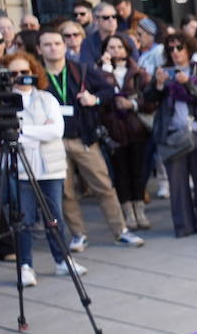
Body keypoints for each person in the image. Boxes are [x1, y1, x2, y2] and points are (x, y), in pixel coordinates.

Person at [36, 27, 144, 251]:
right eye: (47, 44)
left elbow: (109, 90)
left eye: (57, 43)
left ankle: (120, 230)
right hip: (52, 142)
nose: (53, 48)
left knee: (103, 185)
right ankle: (78, 235)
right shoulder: (37, 76)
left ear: (64, 46)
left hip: (82, 138)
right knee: (65, 192)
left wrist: (93, 99)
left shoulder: (80, 69)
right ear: (39, 49)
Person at [4, 51, 79, 288]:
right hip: (22, 168)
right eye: (13, 73)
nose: (19, 77)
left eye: (24, 72)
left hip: (50, 168)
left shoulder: (47, 98)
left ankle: (62, 260)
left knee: (54, 216)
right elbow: (7, 134)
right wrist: (37, 130)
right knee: (23, 219)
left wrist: (24, 131)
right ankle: (26, 266)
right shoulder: (4, 101)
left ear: (34, 73)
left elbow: (55, 131)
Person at [143, 34, 197, 237]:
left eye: (179, 48)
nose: (175, 52)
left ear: (189, 49)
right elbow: (147, 98)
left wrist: (187, 83)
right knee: (177, 183)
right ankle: (183, 226)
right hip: (172, 134)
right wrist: (158, 85)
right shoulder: (162, 72)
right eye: (171, 49)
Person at [97, 33, 153, 232]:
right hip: (114, 130)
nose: (116, 51)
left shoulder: (139, 73)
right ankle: (127, 212)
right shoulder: (99, 72)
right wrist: (105, 71)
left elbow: (150, 99)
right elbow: (99, 99)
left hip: (136, 127)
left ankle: (140, 209)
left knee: (138, 171)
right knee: (120, 173)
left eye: (119, 47)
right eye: (111, 47)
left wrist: (133, 104)